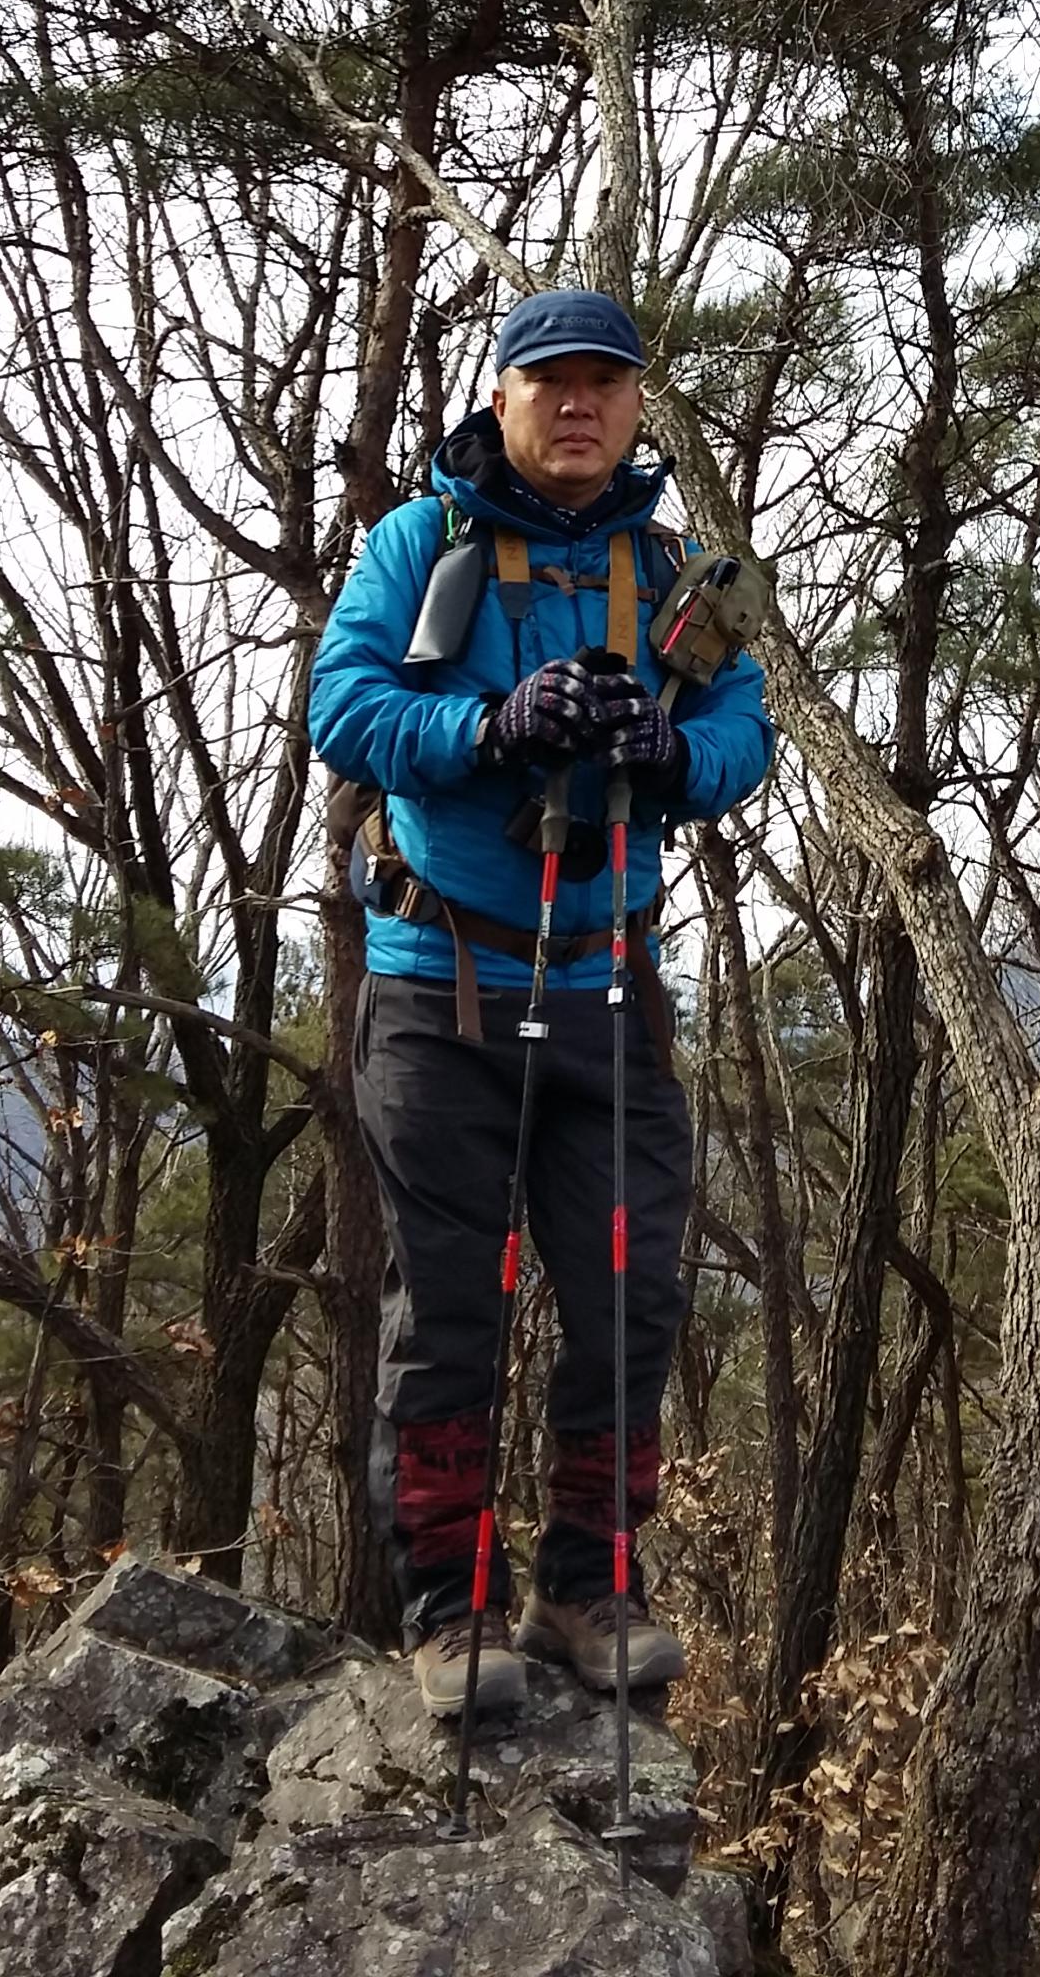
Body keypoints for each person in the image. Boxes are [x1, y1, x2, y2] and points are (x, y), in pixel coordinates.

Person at [309, 289, 774, 1716]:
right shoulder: (419, 543)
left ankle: (588, 1587)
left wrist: (670, 756)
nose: (580, 405)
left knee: (632, 1298)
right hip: (438, 993)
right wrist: (490, 726)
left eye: (606, 383)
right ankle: (451, 1612)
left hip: (607, 994)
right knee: (449, 1310)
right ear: (501, 396)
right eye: (551, 380)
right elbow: (344, 709)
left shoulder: (675, 569)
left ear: (636, 406)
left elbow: (743, 731)